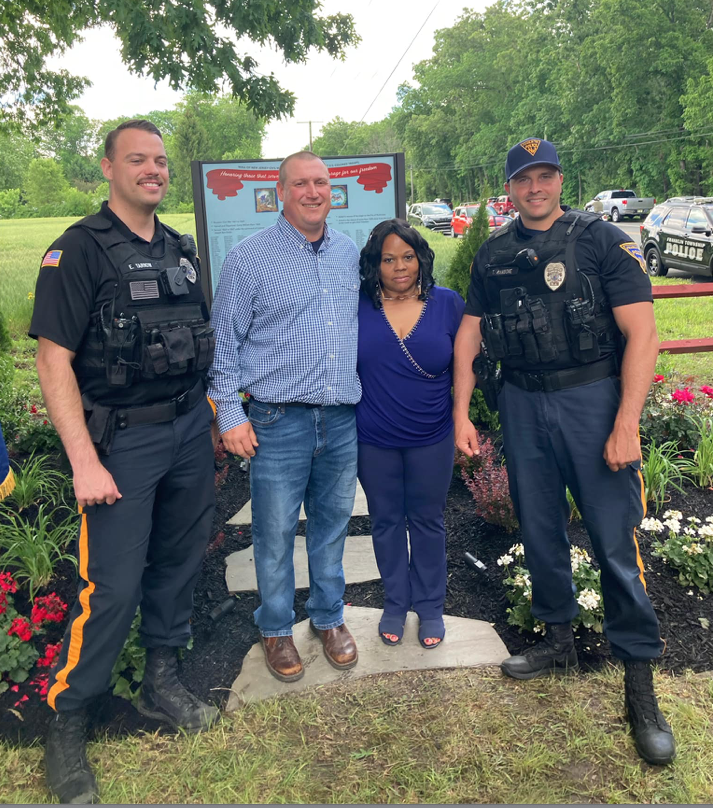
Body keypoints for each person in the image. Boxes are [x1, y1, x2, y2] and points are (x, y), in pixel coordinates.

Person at [452, 138, 675, 766]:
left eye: (544, 176)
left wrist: (626, 422)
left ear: (558, 179)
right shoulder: (494, 254)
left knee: (614, 542)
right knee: (539, 528)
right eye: (523, 179)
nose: (535, 188)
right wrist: (460, 411)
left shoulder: (603, 241)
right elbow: (469, 335)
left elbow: (643, 333)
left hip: (592, 400)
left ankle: (639, 685)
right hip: (523, 404)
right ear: (509, 189)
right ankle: (559, 639)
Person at [30, 119, 219, 804]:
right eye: (137, 159)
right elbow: (53, 361)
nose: (154, 170)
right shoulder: (77, 250)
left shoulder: (180, 249)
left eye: (161, 161)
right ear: (108, 167)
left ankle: (160, 679)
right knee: (109, 587)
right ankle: (69, 718)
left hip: (186, 433)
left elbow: (200, 340)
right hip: (122, 446)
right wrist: (84, 461)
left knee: (177, 562)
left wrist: (215, 420)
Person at [208, 151, 361, 683]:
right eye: (302, 184)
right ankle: (275, 627)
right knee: (273, 533)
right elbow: (223, 343)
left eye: (322, 182)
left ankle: (328, 617)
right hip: (276, 419)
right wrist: (230, 414)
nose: (314, 192)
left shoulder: (348, 253)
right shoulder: (249, 258)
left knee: (331, 526)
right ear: (281, 192)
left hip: (340, 419)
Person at [357, 220, 464, 648]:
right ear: (375, 264)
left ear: (421, 258)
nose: (399, 266)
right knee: (384, 521)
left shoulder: (448, 305)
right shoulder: (358, 305)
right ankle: (396, 604)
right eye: (388, 258)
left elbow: (467, 367)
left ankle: (431, 607)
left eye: (407, 256)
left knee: (427, 521)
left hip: (432, 435)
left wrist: (464, 418)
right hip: (373, 437)